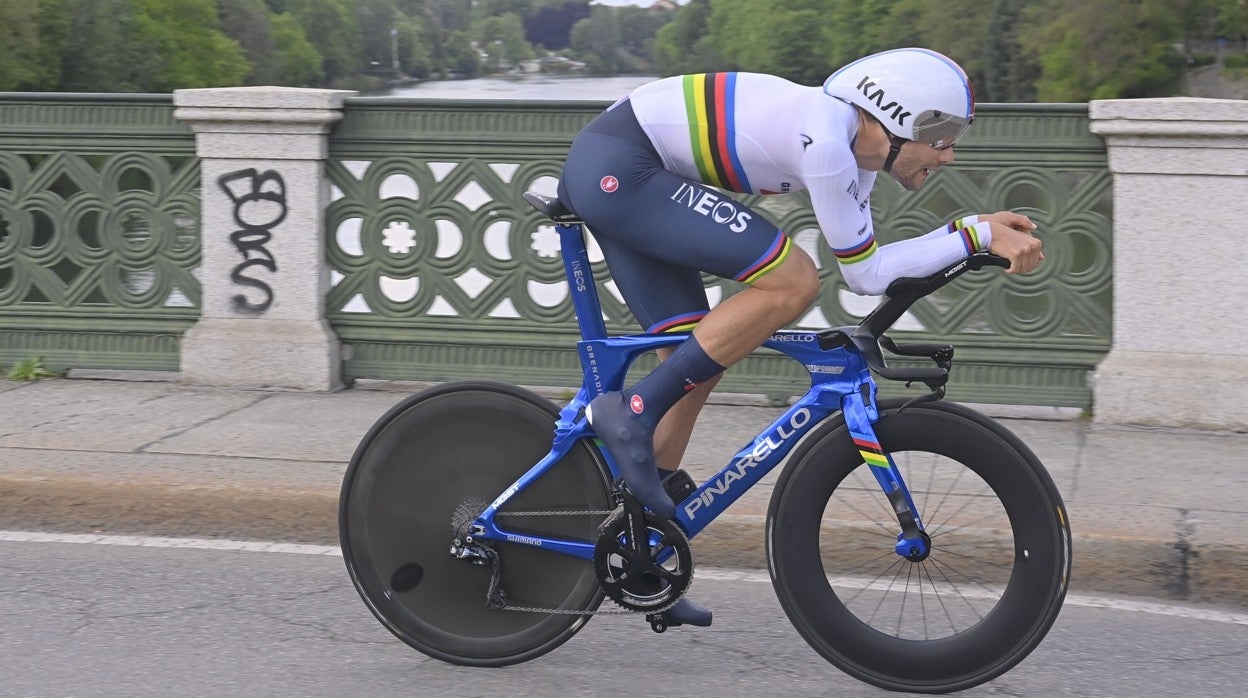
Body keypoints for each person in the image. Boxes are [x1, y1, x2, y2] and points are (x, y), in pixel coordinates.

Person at [556, 47, 1044, 627]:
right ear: (894, 119)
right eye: (940, 137)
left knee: (694, 361)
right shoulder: (830, 142)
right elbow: (857, 275)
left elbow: (866, 271)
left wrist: (972, 233)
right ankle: (634, 412)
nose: (949, 153)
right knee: (793, 282)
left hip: (627, 167)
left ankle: (643, 550)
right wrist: (973, 234)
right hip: (620, 168)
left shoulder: (855, 156)